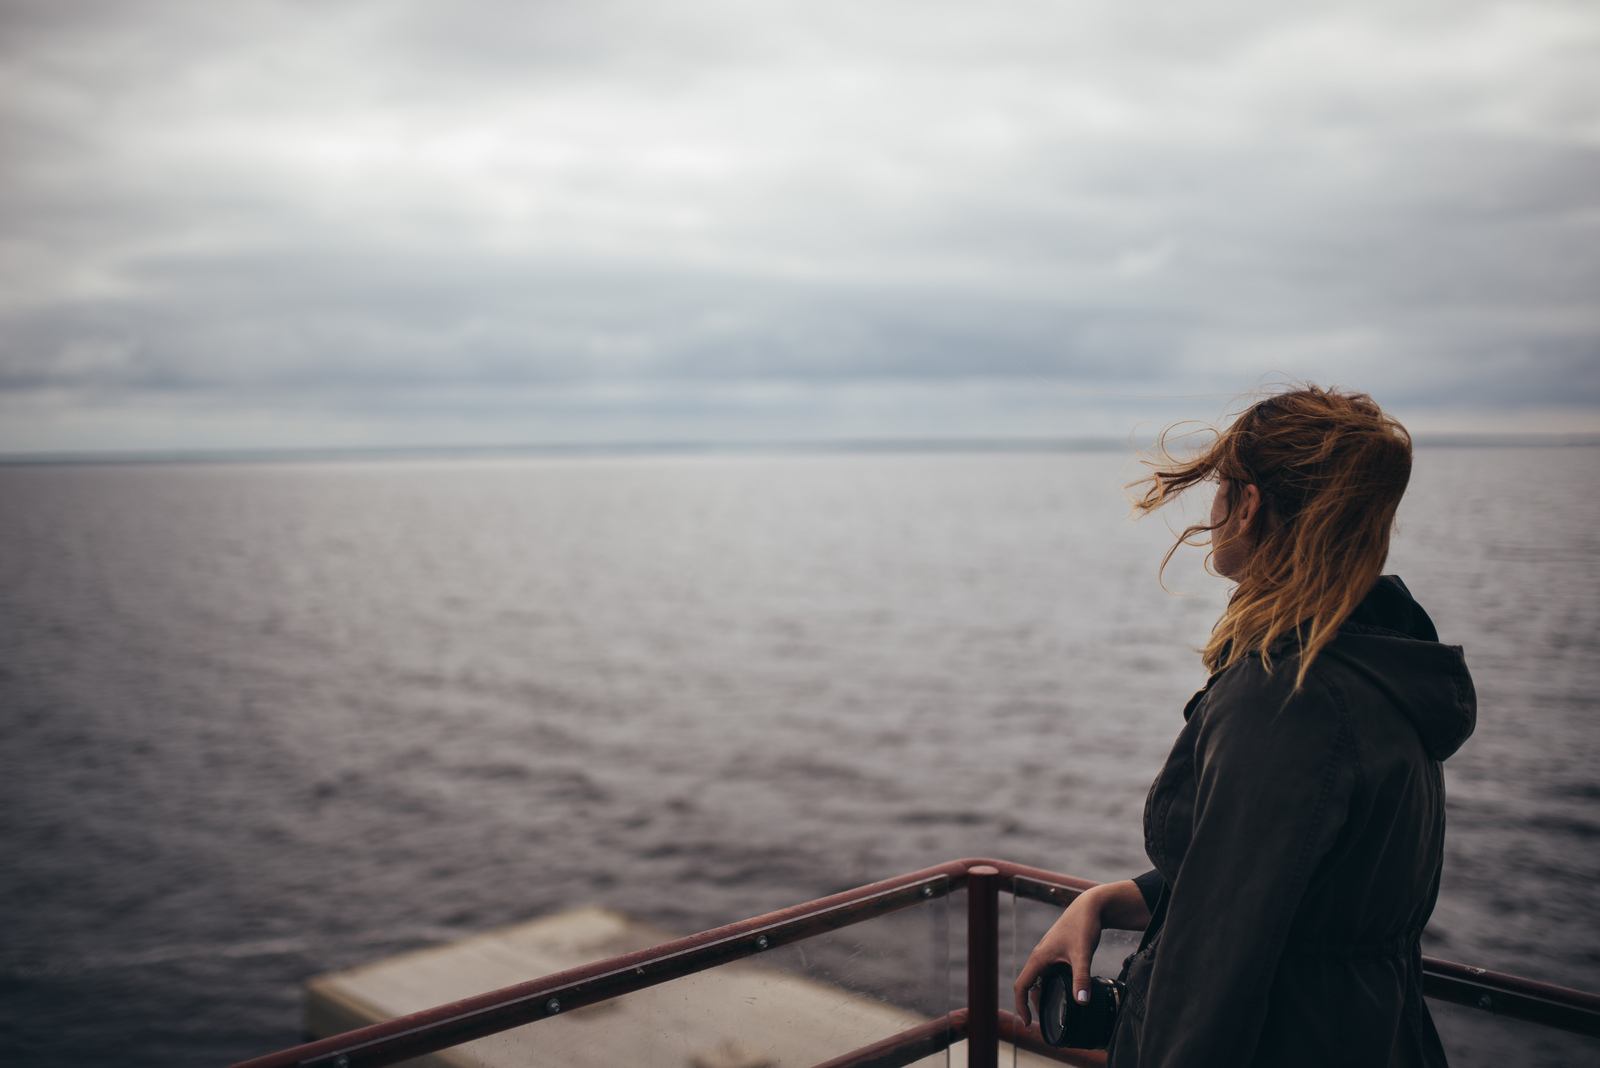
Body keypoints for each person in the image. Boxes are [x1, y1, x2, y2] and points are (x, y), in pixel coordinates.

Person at [1013, 386, 1477, 1066]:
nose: (1215, 509)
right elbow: (1297, 886)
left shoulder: (1285, 698)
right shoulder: (1384, 666)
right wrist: (1112, 901)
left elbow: (1214, 975)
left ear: (1249, 503)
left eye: (1221, 490)